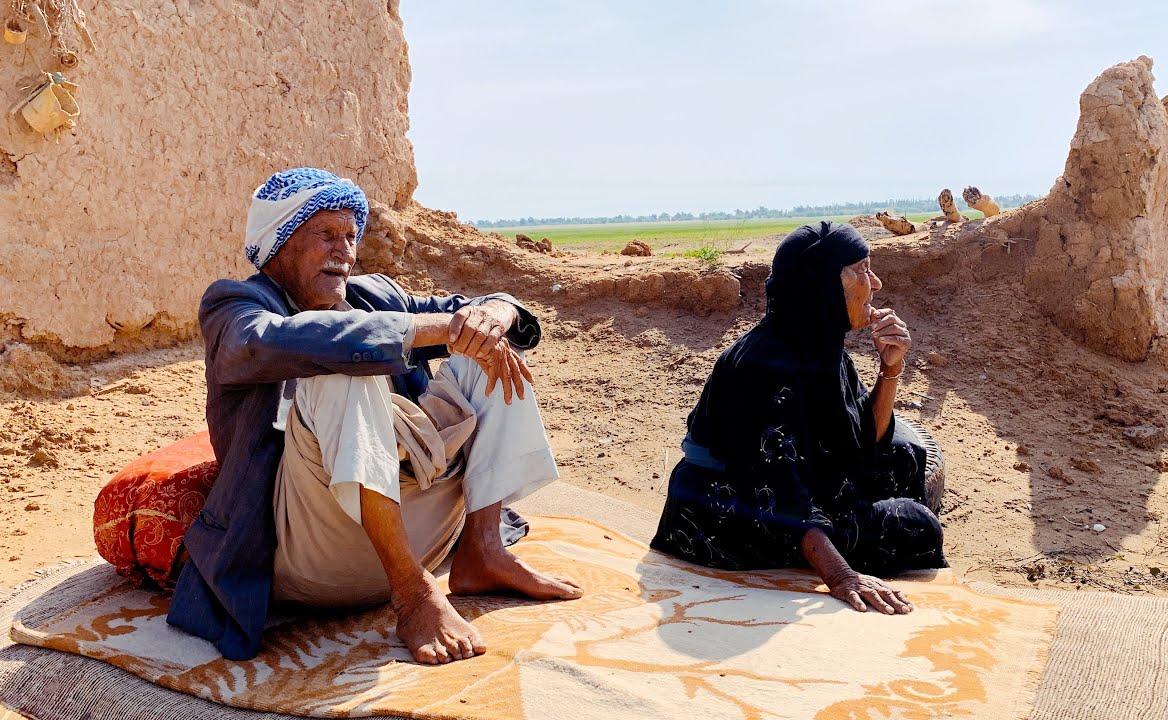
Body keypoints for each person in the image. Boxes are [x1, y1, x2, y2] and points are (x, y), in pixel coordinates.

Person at [168, 168, 579, 665]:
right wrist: (434, 330)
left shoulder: (376, 295)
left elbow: (483, 309)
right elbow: (268, 342)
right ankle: (413, 594)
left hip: (423, 530)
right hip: (307, 550)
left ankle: (483, 549)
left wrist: (493, 316)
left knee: (488, 349)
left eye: (350, 236)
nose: (344, 250)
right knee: (341, 369)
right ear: (278, 244)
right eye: (325, 234)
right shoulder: (234, 305)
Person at [651, 221, 945, 615]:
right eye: (861, 270)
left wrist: (890, 369)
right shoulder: (764, 365)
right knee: (917, 526)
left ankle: (846, 526)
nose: (875, 283)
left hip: (783, 488)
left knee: (904, 456)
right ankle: (827, 544)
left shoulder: (819, 344)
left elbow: (864, 441)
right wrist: (841, 575)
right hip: (724, 513)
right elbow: (775, 487)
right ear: (822, 285)